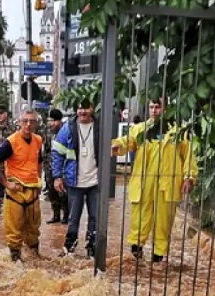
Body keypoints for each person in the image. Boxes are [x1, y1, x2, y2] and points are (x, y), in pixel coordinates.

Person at [111, 98, 197, 262]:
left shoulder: (178, 132)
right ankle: (136, 255)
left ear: (166, 109)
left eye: (158, 107)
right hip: (144, 183)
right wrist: (117, 146)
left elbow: (188, 156)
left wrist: (189, 177)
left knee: (163, 222)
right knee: (139, 219)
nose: (154, 110)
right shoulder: (141, 129)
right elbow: (128, 141)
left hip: (167, 184)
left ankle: (158, 258)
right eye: (151, 107)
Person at [52, 99, 100, 258]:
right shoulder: (68, 128)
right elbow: (57, 153)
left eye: (86, 108)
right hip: (74, 181)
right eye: (79, 108)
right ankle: (69, 246)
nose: (82, 112)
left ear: (92, 108)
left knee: (95, 217)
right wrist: (57, 177)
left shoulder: (100, 127)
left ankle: (92, 248)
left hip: (95, 181)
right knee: (73, 217)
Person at [0, 109, 43, 262]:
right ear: (19, 122)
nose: (28, 124)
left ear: (36, 124)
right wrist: (5, 183)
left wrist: (39, 180)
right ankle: (15, 261)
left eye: (32, 121)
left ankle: (34, 259)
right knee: (14, 229)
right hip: (16, 191)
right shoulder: (11, 141)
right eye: (25, 121)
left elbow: (39, 162)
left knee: (34, 227)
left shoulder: (38, 140)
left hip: (33, 190)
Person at [0, 105, 17, 224]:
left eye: (2, 113)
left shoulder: (13, 129)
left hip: (10, 166)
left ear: (6, 114)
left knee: (12, 194)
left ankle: (12, 219)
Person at [44, 108, 68, 225]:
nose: (51, 123)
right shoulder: (48, 133)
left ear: (59, 121)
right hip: (49, 167)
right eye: (50, 121)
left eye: (54, 121)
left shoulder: (65, 132)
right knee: (52, 192)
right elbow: (46, 149)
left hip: (62, 168)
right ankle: (56, 215)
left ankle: (66, 215)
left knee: (63, 192)